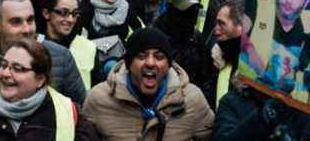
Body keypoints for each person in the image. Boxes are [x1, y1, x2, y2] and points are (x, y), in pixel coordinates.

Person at [0, 37, 99, 140]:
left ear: (40, 79)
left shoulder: (68, 113)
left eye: (18, 68)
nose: (6, 74)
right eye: (3, 65)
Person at [0, 0, 87, 105]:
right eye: (16, 22)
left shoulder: (61, 57)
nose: (27, 29)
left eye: (30, 20)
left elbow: (81, 112)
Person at [83, 27, 215, 140]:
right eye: (141, 56)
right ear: (128, 64)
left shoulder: (192, 100)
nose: (150, 63)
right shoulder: (98, 99)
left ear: (169, 65)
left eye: (159, 57)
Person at [154, 0, 213, 88]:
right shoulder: (153, 38)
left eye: (194, 12)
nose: (191, 18)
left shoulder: (196, 38)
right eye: (186, 12)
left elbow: (204, 76)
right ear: (172, 11)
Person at [42, 0, 100, 88]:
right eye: (64, 13)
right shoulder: (34, 46)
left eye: (75, 14)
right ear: (46, 13)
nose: (70, 19)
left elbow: (97, 89)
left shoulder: (88, 47)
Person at [209, 0, 246, 109]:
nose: (216, 29)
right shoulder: (217, 56)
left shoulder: (253, 69)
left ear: (241, 26)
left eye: (221, 23)